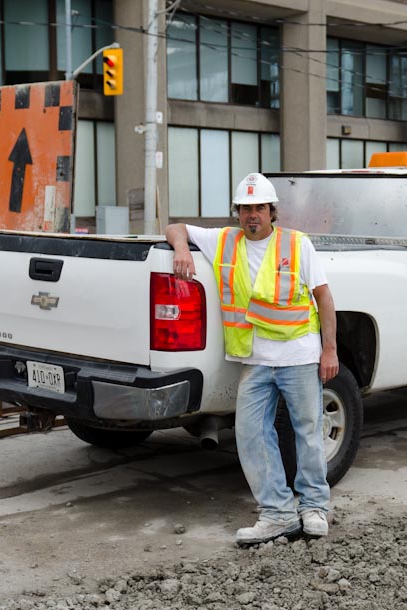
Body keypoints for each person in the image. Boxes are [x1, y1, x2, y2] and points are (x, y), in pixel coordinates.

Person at [165, 172, 338, 546]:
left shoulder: (296, 244)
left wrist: (329, 350)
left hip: (298, 354)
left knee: (307, 432)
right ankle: (277, 513)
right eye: (245, 208)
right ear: (237, 213)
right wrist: (181, 250)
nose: (251, 215)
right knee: (251, 435)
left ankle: (314, 507)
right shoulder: (224, 241)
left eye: (259, 207)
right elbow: (175, 227)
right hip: (255, 360)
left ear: (272, 211)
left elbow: (324, 297)